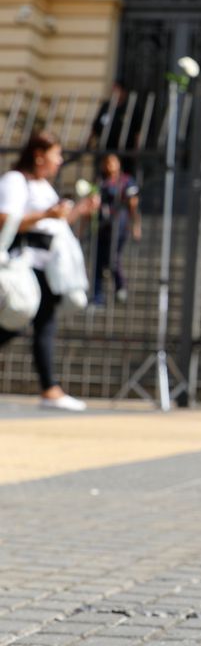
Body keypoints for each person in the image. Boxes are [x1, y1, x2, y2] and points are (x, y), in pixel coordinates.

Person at [0, 131, 100, 411]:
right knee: (18, 320)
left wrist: (79, 210)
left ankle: (50, 388)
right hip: (25, 262)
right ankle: (50, 389)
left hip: (48, 266)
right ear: (39, 155)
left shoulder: (42, 185)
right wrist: (46, 215)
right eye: (57, 154)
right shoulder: (15, 181)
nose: (60, 161)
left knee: (38, 323)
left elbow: (56, 224)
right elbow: (4, 219)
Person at [93, 153, 140, 306]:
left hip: (119, 225)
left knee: (113, 258)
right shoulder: (101, 182)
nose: (109, 165)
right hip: (102, 226)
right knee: (98, 261)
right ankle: (97, 296)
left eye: (112, 162)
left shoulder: (126, 181)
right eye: (106, 162)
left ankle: (120, 287)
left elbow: (133, 205)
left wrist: (136, 225)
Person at [90, 80, 128, 148]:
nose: (114, 93)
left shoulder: (130, 108)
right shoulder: (106, 106)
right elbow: (96, 126)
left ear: (123, 92)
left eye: (116, 90)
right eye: (113, 90)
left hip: (122, 150)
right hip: (103, 147)